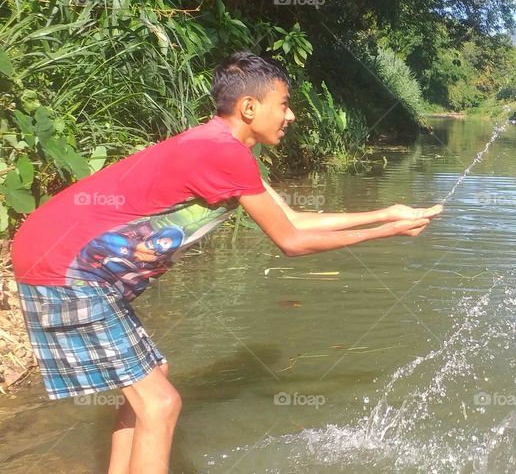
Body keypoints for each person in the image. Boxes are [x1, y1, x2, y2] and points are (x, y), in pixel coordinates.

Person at [10, 52, 442, 474]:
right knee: (161, 403)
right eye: (285, 105)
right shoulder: (221, 152)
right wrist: (388, 234)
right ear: (250, 107)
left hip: (74, 265)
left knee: (153, 380)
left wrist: (387, 214)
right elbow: (290, 241)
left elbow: (292, 218)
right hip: (67, 268)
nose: (290, 116)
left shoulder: (224, 149)